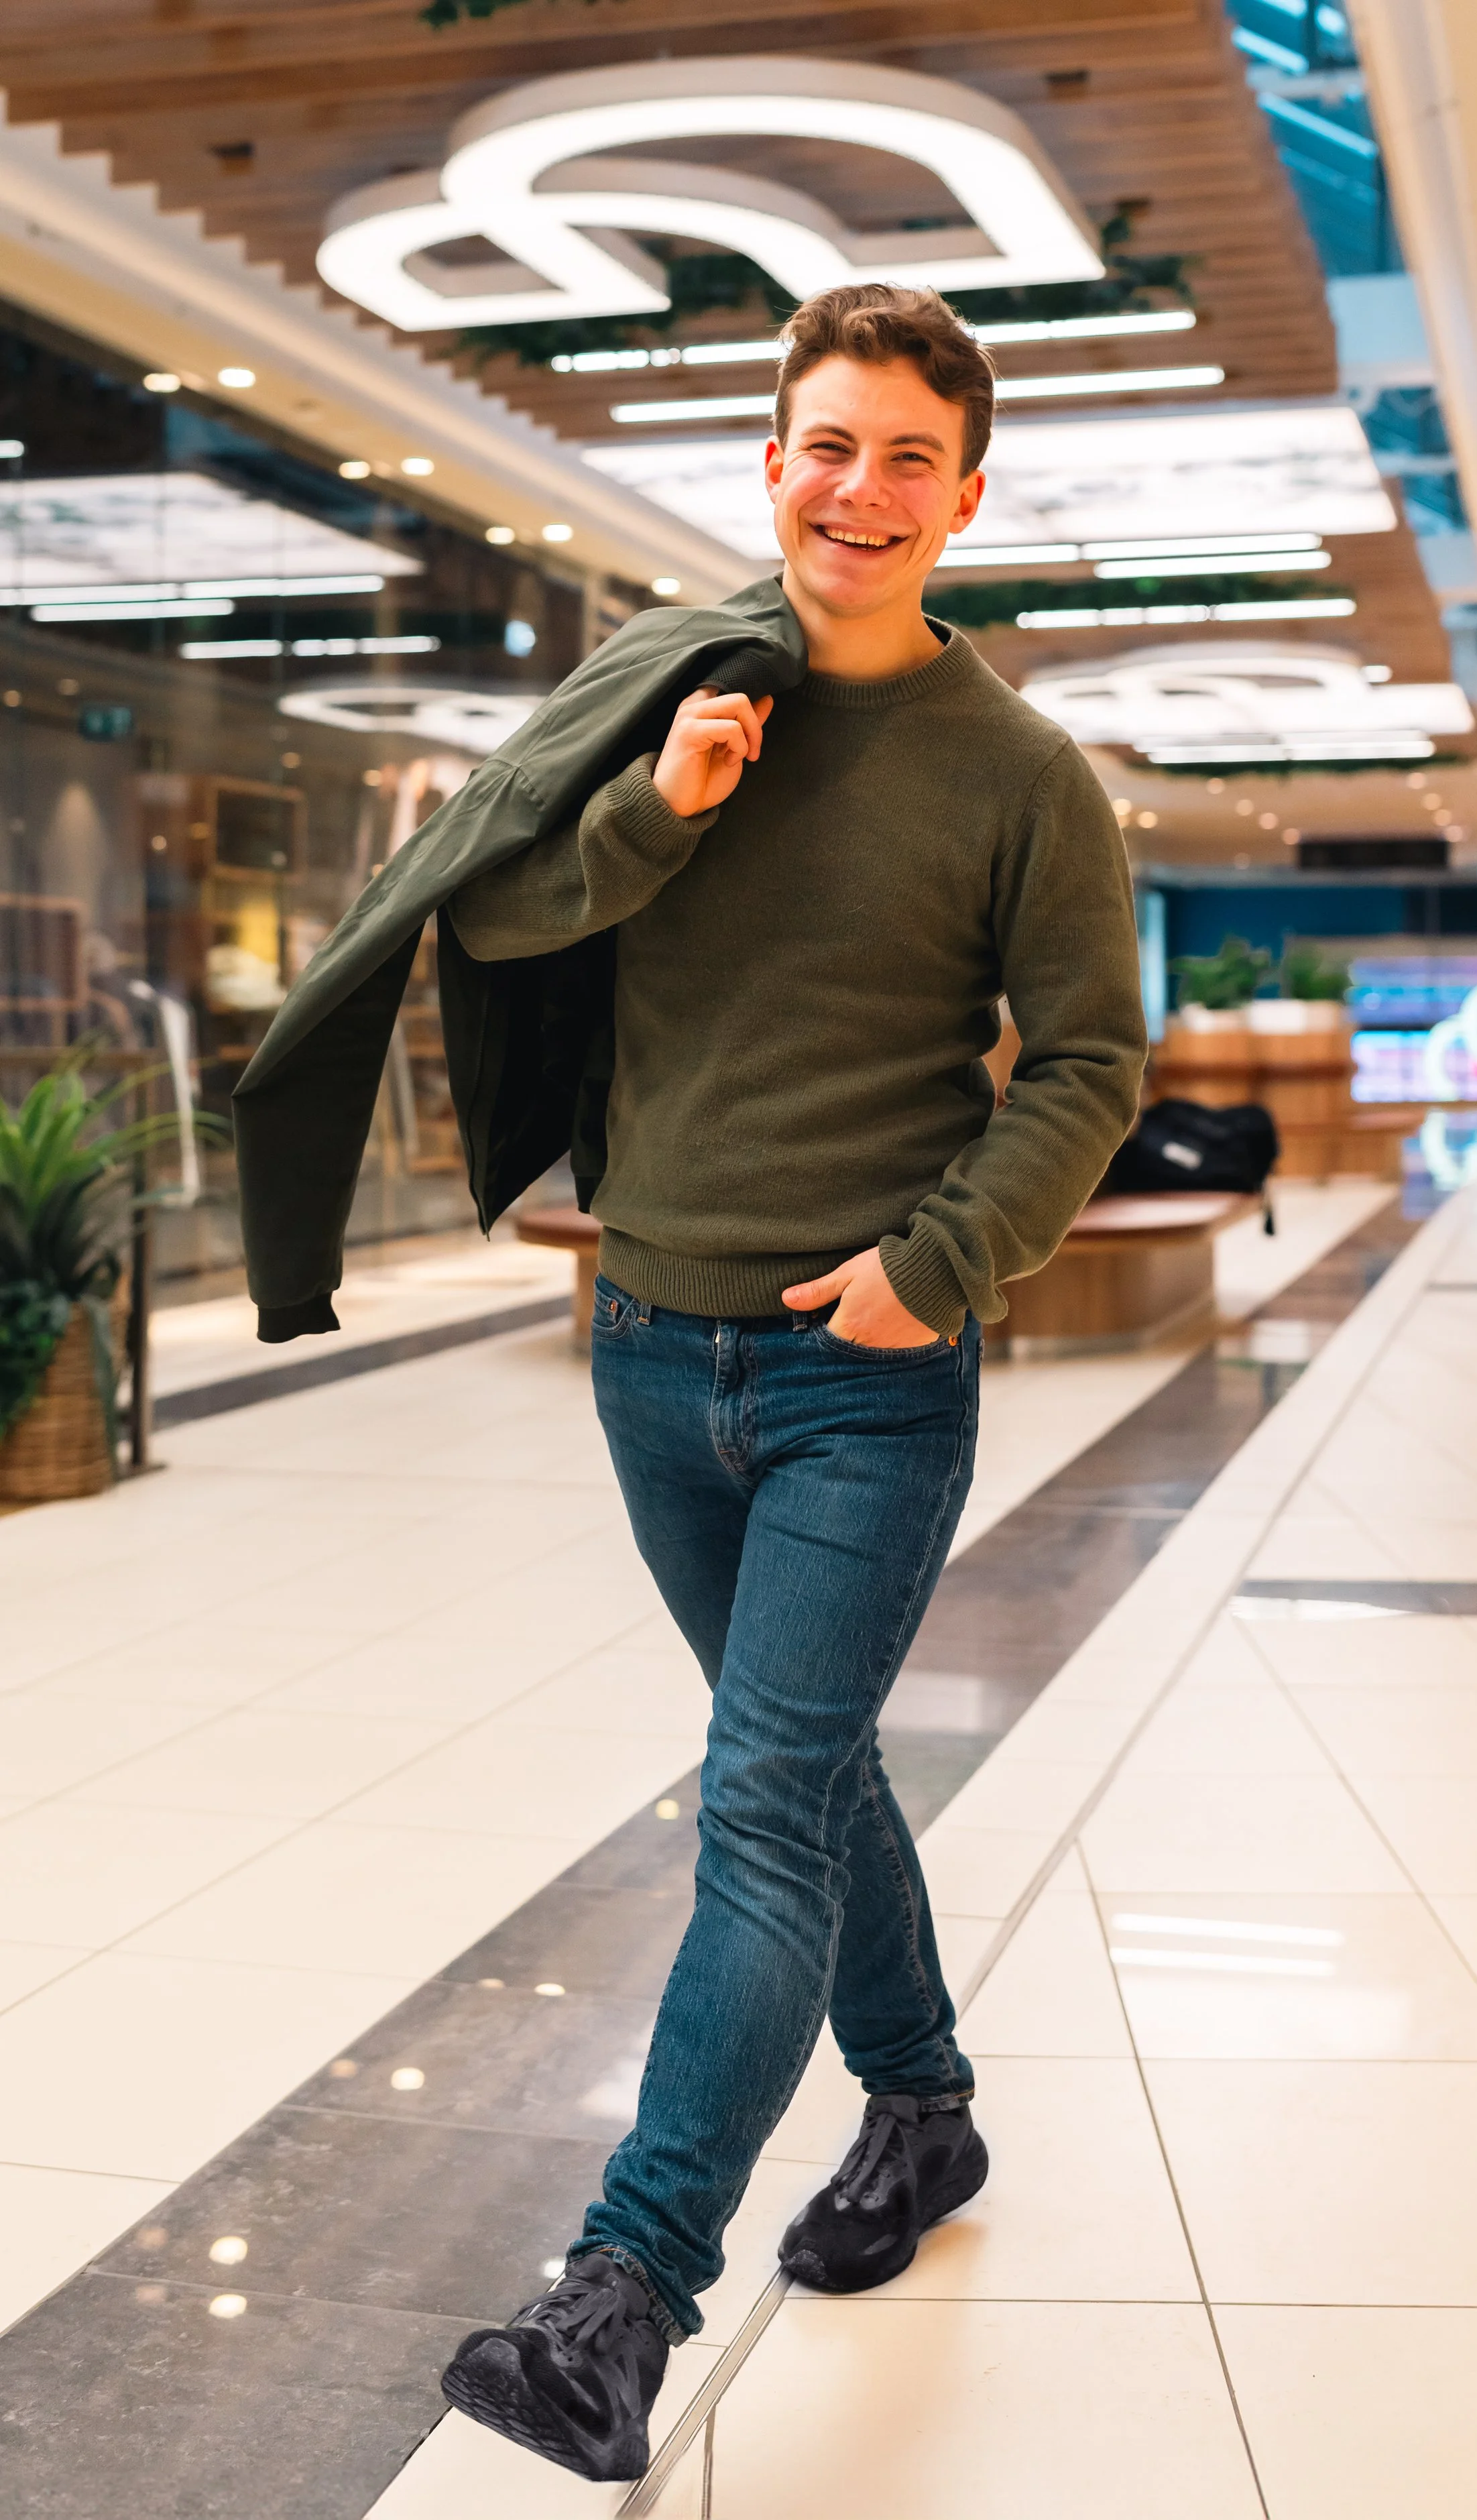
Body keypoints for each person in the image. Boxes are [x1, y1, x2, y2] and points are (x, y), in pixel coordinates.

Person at [437, 280, 1147, 2483]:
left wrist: (934, 1272)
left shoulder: (1021, 777)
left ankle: (620, 2291)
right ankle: (917, 2110)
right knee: (808, 1773)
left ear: (963, 491)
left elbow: (1095, 1064)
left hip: (862, 1374)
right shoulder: (668, 688)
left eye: (907, 457)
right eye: (825, 445)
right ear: (770, 461)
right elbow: (502, 918)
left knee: (756, 1802)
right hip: (648, 1346)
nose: (860, 490)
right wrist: (660, 808)